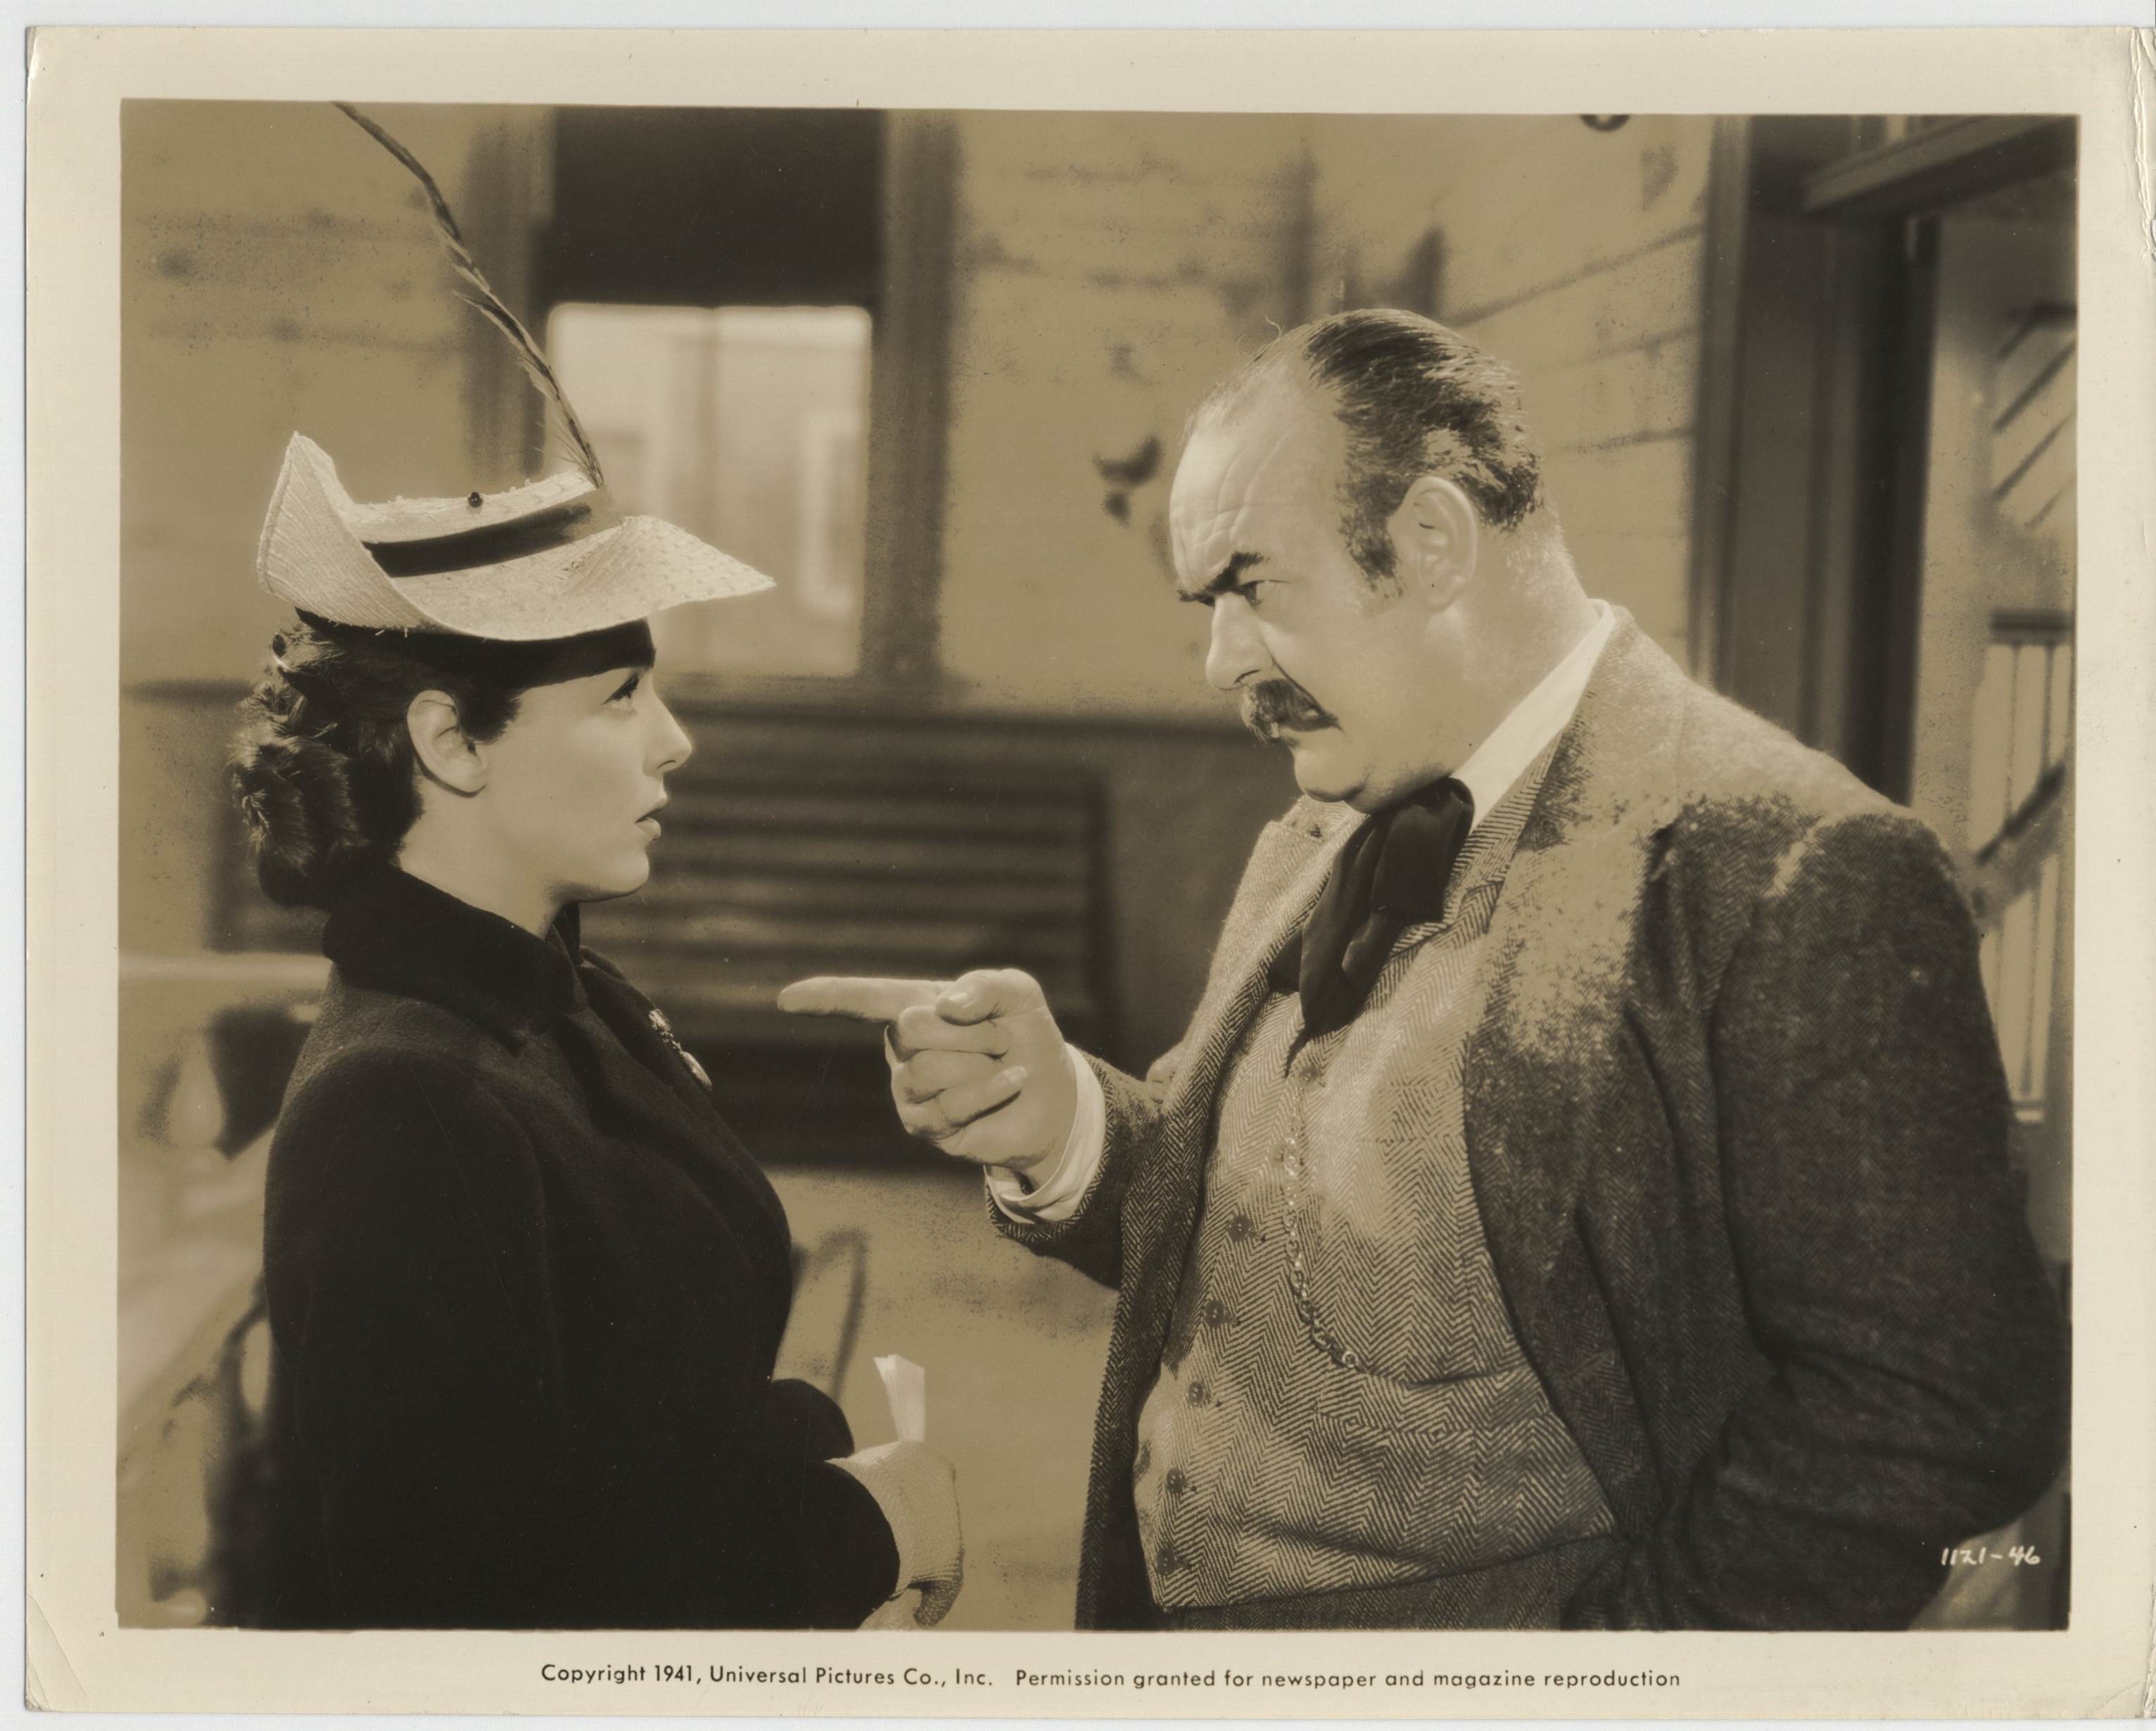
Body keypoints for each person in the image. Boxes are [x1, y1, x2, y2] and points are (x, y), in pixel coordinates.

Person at [781, 308, 2067, 1631]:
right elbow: (1240, 1237)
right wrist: (1063, 1127)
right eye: (1206, 604)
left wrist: (1602, 1688)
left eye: (1253, 586)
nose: (1221, 661)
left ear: (1436, 542)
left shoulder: (1789, 867)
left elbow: (1939, 1409)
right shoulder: (1319, 822)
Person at [230, 109, 961, 1630]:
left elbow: (623, 1434)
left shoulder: (552, 996)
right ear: (454, 740)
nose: (674, 743)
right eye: (622, 697)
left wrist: (813, 1453)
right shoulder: (406, 1107)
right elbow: (461, 1632)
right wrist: (849, 1531)